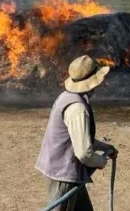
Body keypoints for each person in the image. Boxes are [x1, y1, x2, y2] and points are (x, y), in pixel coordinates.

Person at [35, 55, 118, 211]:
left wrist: (104, 146)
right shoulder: (77, 108)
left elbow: (79, 138)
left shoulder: (67, 97)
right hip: (64, 174)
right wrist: (101, 161)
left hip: (67, 171)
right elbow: (84, 154)